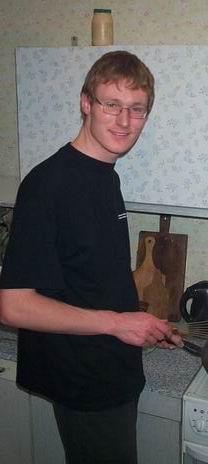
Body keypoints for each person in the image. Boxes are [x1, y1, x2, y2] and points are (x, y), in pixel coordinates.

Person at [0, 50, 183, 464]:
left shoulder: (105, 174)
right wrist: (119, 323)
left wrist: (139, 324)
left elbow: (88, 275)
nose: (123, 121)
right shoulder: (48, 185)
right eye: (111, 104)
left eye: (136, 109)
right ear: (86, 103)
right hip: (85, 378)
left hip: (112, 363)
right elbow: (13, 305)